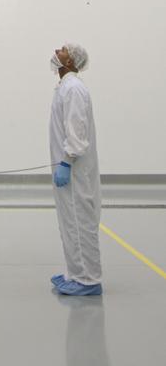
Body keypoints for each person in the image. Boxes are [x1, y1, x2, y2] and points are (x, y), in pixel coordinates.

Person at [49, 42, 102, 296]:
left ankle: (89, 280)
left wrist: (67, 162)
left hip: (74, 168)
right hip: (68, 166)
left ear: (70, 62)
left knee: (80, 222)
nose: (58, 49)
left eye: (64, 49)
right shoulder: (65, 86)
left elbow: (77, 131)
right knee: (70, 222)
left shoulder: (73, 89)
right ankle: (74, 273)